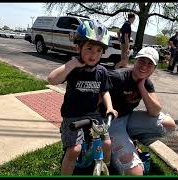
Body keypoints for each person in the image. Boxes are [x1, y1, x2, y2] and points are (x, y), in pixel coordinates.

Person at [47, 20, 118, 175]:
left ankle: (105, 167)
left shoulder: (102, 71)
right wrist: (71, 64)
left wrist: (110, 107)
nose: (94, 54)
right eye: (89, 48)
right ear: (78, 47)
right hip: (73, 115)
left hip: (93, 114)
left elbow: (104, 91)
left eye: (99, 50)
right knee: (74, 150)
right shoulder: (73, 69)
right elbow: (52, 79)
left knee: (106, 143)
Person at [99, 47, 176, 175]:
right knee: (136, 172)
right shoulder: (117, 77)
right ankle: (113, 151)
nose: (145, 66)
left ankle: (130, 141)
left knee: (168, 125)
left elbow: (155, 111)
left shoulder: (146, 83)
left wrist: (141, 87)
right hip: (111, 123)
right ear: (135, 61)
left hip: (128, 118)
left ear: (154, 69)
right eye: (142, 61)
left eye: (150, 63)